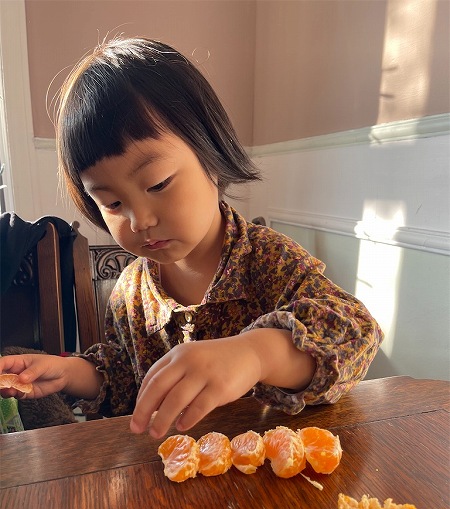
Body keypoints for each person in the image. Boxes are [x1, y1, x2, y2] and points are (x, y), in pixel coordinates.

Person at [0, 37, 383, 439]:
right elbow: (125, 378)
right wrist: (70, 374)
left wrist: (256, 353)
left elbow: (357, 334)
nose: (140, 219)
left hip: (265, 481)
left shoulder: (268, 261)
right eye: (112, 203)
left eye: (158, 183)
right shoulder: (130, 292)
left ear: (211, 156)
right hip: (165, 483)